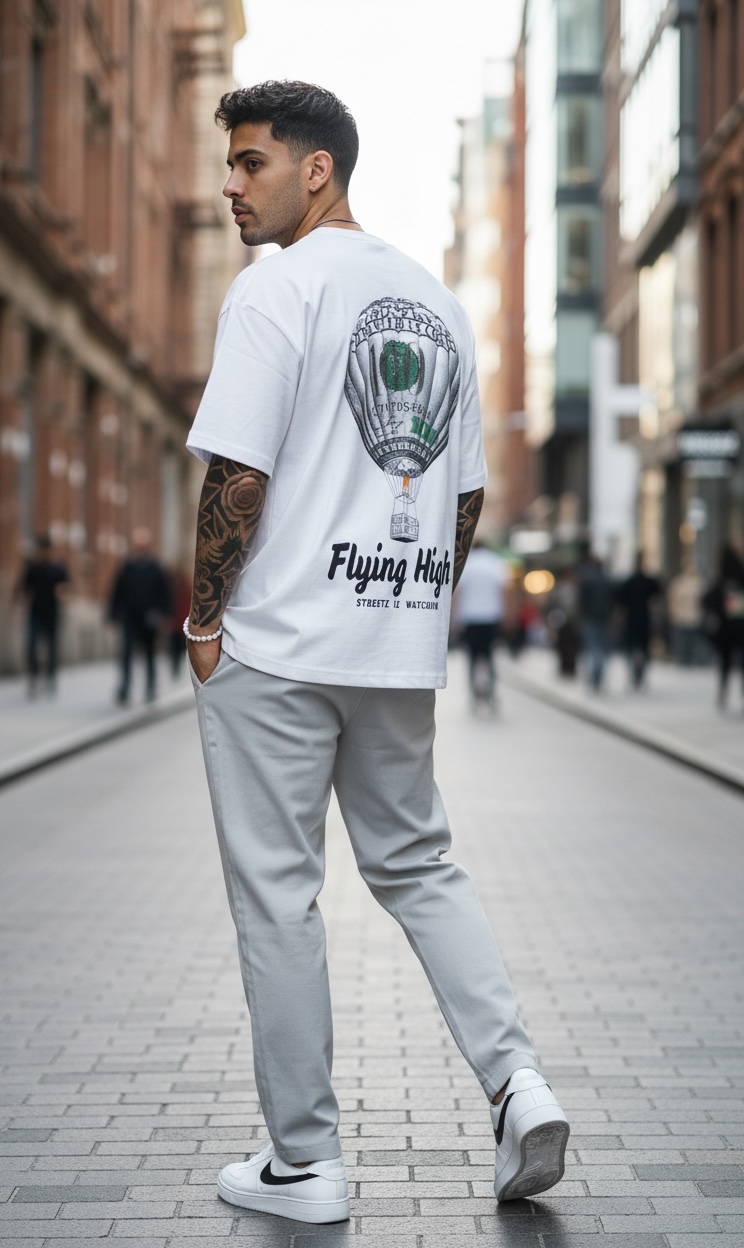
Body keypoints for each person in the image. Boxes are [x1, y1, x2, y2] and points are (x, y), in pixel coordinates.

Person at [183, 81, 568, 1226]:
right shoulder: (434, 302)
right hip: (390, 640)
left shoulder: (277, 287)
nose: (230, 185)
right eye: (229, 164)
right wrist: (412, 608)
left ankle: (305, 1163)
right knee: (419, 866)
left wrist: (204, 619)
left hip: (278, 644)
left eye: (250, 162)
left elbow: (237, 471)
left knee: (277, 894)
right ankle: (517, 1085)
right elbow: (466, 495)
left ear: (317, 170)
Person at [108, 528, 172, 704]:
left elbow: (165, 594)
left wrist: (164, 614)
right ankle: (125, 687)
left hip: (149, 619)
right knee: (126, 653)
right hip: (129, 618)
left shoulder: (156, 568)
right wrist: (113, 615)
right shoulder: (127, 568)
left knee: (150, 654)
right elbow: (117, 592)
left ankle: (150, 688)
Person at [452, 540, 509, 708]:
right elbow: (504, 591)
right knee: (489, 656)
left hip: (470, 617)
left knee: (471, 657)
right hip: (491, 617)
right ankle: (490, 692)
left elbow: (458, 592)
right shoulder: (496, 563)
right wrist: (506, 615)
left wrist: (455, 617)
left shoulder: (467, 564)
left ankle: (473, 694)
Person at [16, 533, 69, 696]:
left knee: (52, 647)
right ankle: (34, 677)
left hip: (52, 613)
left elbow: (66, 589)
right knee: (31, 645)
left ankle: (51, 677)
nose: (44, 553)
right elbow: (25, 589)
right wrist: (20, 610)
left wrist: (63, 596)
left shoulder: (58, 568)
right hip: (35, 613)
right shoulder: (33, 568)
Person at [702, 543, 744, 708]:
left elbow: (708, 599)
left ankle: (723, 691)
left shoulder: (721, 578)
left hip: (726, 628)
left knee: (725, 661)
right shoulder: (740, 576)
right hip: (740, 626)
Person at [614, 553, 662, 690]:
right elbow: (656, 600)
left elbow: (620, 604)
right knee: (642, 649)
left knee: (633, 649)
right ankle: (639, 675)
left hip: (633, 620)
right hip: (642, 619)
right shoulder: (647, 581)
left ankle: (635, 675)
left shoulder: (629, 582)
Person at [577, 550, 613, 692]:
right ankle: (598, 676)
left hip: (590, 618)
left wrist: (580, 617)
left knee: (591, 648)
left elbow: (581, 601)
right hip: (604, 618)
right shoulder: (607, 580)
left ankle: (593, 675)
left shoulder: (586, 580)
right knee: (602, 648)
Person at [666, 554, 706, 667]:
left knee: (694, 644)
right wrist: (673, 613)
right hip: (682, 617)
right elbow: (673, 599)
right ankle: (683, 661)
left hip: (695, 618)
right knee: (682, 644)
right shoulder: (678, 582)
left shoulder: (699, 583)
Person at [168, 565, 193, 678]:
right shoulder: (174, 589)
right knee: (177, 647)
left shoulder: (183, 588)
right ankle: (176, 667)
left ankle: (176, 667)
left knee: (177, 648)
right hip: (179, 622)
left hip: (179, 622)